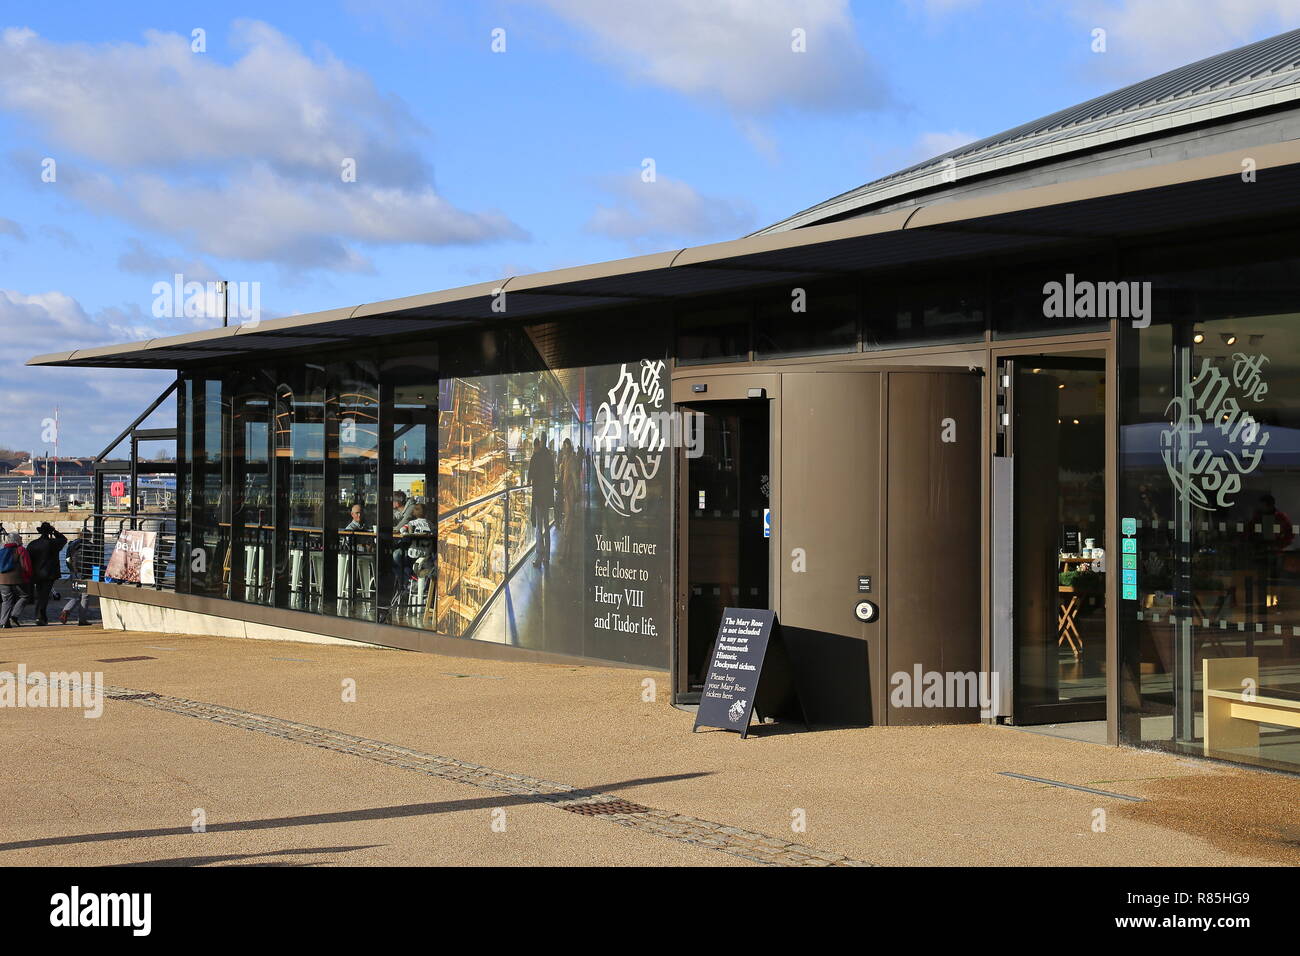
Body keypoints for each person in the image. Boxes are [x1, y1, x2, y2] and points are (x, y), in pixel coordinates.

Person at [25, 522, 67, 626]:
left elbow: (28, 559)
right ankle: (40, 617)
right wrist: (55, 532)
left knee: (40, 595)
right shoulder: (53, 543)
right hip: (49, 574)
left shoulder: (32, 544)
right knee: (44, 596)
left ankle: (40, 616)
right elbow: (64, 539)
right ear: (49, 532)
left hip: (36, 574)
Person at [526, 436, 555, 568]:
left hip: (538, 497)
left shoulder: (536, 458)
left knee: (539, 527)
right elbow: (552, 477)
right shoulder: (549, 458)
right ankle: (547, 557)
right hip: (546, 498)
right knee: (546, 526)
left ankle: (539, 555)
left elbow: (530, 477)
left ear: (536, 445)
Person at [59, 531, 94, 626]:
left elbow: (67, 560)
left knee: (76, 596)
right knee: (85, 596)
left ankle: (66, 611)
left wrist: (72, 570)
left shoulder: (71, 545)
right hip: (86, 573)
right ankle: (82, 619)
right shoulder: (90, 546)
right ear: (88, 536)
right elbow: (94, 561)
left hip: (75, 573)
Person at [0, 532, 33, 628]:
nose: (22, 540)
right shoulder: (21, 550)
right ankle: (13, 616)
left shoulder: (2, 551)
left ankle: (3, 622)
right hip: (17, 579)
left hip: (2, 580)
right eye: (20, 539)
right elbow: (26, 566)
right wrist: (28, 577)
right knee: (25, 596)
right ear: (17, 540)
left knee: (6, 600)